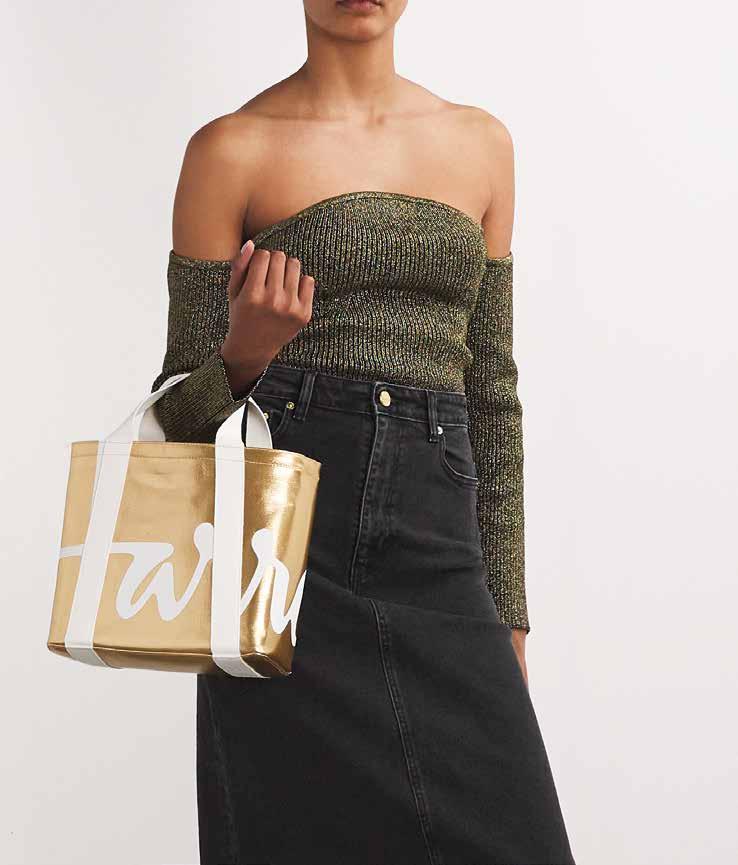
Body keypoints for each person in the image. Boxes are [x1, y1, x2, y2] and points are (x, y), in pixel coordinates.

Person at [150, 1, 576, 862]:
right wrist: (245, 353)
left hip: (438, 544)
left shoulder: (481, 146)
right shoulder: (230, 151)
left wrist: (508, 616)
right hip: (281, 558)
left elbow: (492, 397)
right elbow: (177, 423)